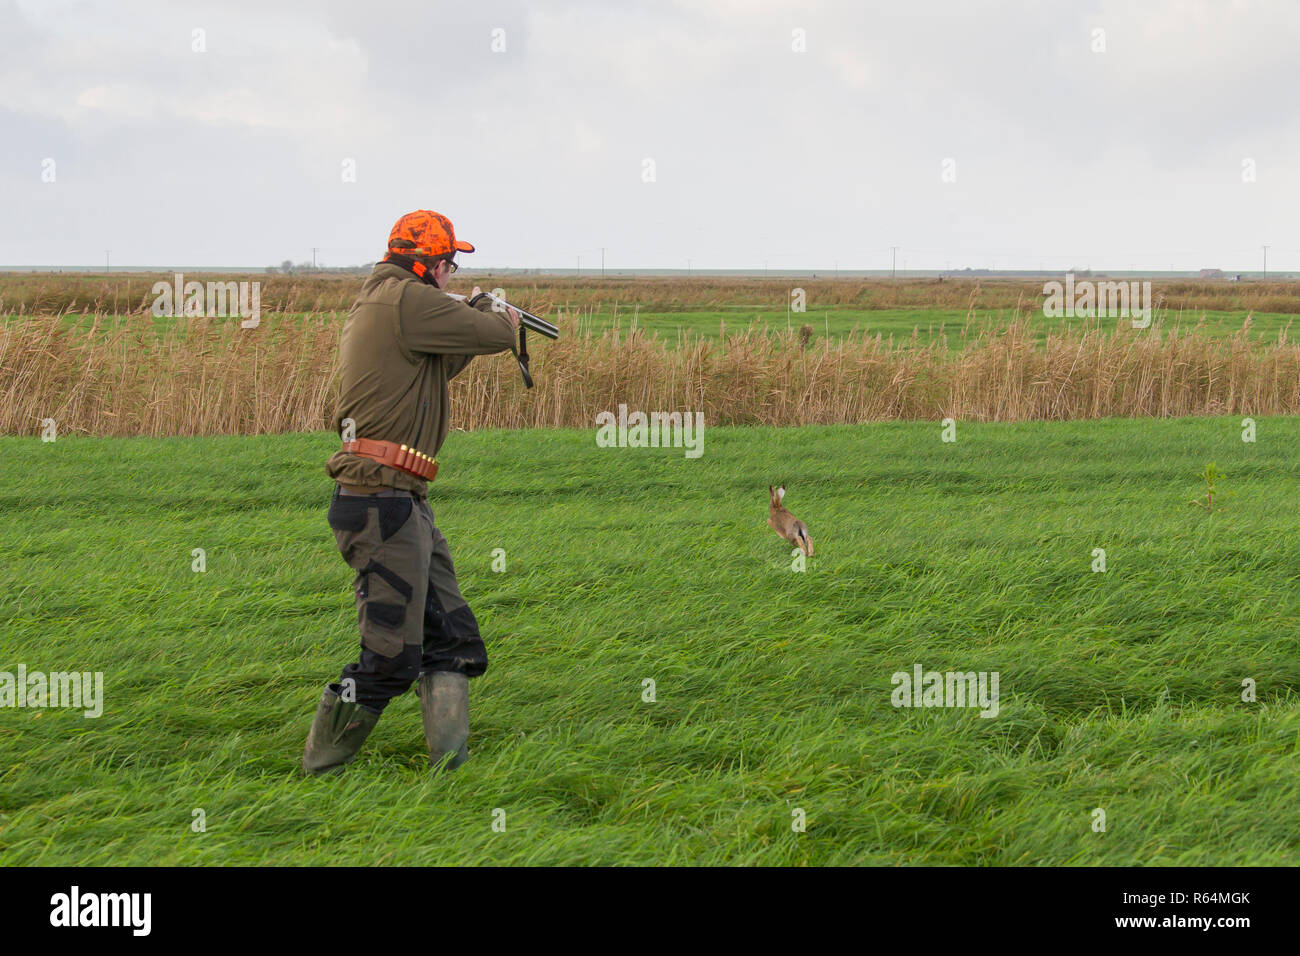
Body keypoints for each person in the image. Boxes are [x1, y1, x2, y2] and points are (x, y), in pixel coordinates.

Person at [302, 209, 520, 775]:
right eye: (449, 263)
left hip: (401, 501)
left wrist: (466, 312)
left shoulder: (392, 299)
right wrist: (495, 309)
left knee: (452, 639)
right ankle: (318, 772)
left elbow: (440, 366)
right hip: (381, 504)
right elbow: (498, 334)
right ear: (427, 263)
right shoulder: (407, 299)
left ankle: (450, 775)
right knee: (389, 659)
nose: (451, 273)